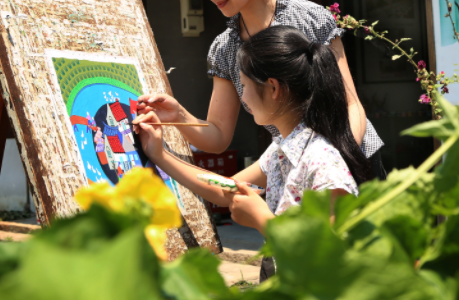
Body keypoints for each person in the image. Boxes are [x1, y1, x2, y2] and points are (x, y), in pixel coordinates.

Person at [136, 0, 385, 178]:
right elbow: (218, 135)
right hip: (297, 174)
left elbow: (351, 106)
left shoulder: (309, 17)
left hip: (354, 160)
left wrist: (332, 161)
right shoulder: (224, 48)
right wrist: (178, 114)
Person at [134, 27, 374, 278]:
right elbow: (226, 189)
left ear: (273, 88)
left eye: (244, 85)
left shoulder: (323, 161)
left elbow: (333, 255)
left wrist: (262, 219)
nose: (243, 96)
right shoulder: (283, 146)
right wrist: (159, 154)